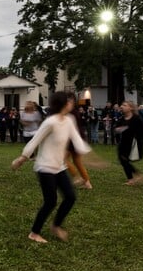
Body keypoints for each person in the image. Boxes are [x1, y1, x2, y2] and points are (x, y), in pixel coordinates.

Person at [12, 92, 91, 243]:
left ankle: (56, 226)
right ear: (63, 103)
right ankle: (34, 233)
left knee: (70, 197)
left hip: (59, 167)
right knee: (51, 202)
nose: (72, 103)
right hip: (45, 167)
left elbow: (77, 140)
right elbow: (35, 140)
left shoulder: (69, 120)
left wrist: (89, 156)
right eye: (70, 101)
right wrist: (22, 158)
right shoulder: (50, 122)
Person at [114, 101, 143, 186]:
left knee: (125, 160)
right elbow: (116, 128)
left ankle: (135, 176)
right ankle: (132, 178)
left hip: (133, 142)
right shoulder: (122, 118)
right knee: (123, 160)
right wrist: (118, 129)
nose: (122, 106)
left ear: (130, 108)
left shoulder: (136, 118)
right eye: (122, 105)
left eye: (124, 105)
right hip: (123, 142)